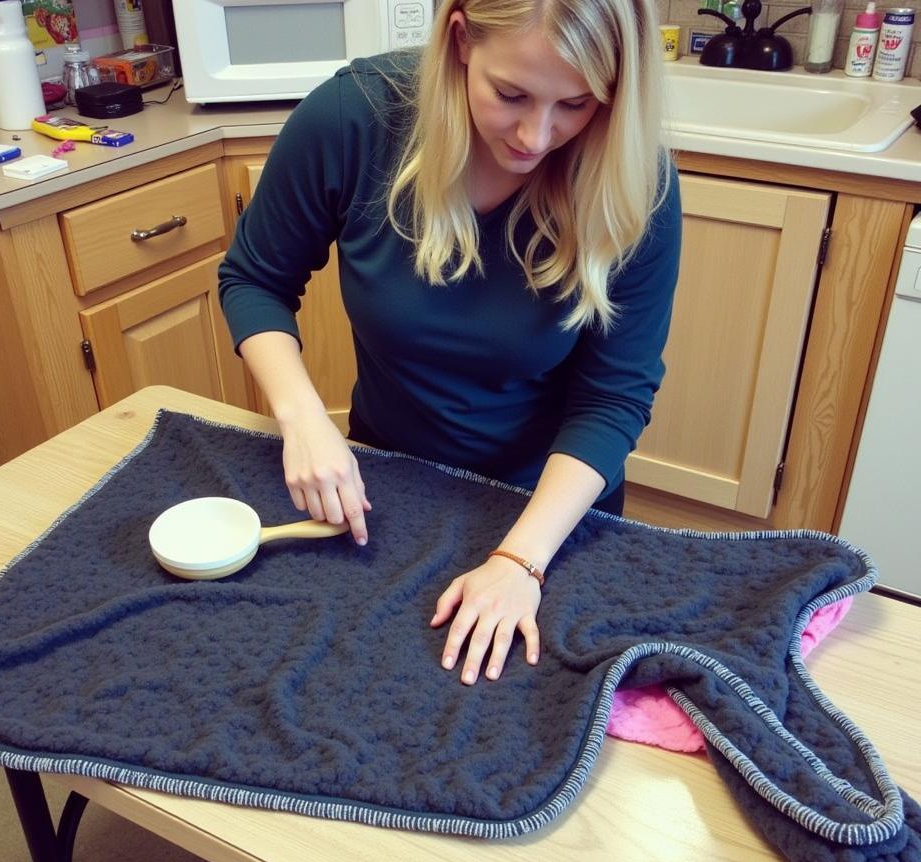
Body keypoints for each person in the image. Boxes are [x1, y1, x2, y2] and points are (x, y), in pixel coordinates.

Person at [218, 0, 682, 687]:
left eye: (577, 105)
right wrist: (304, 420)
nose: (536, 135)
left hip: (549, 514)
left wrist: (519, 562)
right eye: (511, 94)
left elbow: (613, 398)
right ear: (461, 39)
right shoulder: (357, 118)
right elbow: (255, 278)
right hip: (388, 490)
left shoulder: (634, 179)